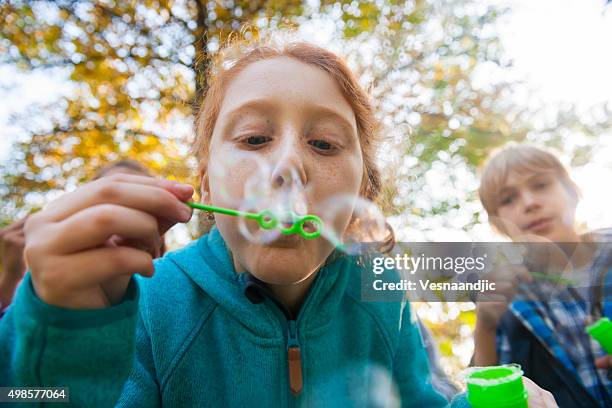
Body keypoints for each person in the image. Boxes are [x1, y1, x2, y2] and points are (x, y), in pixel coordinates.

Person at [0, 40, 556, 407]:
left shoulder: (383, 296)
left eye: (324, 143)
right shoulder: (146, 300)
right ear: (207, 183)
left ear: (362, 189)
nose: (289, 164)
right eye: (254, 139)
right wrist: (64, 340)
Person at [473, 143, 612, 406]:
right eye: (507, 199)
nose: (529, 203)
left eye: (540, 185)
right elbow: (488, 393)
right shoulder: (507, 298)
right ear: (497, 224)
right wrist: (485, 327)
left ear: (572, 191)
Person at [0, 159, 164, 318]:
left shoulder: (173, 288)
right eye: (107, 201)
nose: (118, 216)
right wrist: (11, 278)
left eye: (140, 202)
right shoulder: (44, 284)